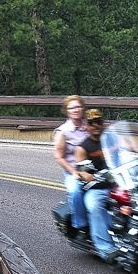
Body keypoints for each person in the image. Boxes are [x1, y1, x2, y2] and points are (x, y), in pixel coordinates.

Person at [73, 110, 120, 261]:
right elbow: (80, 169)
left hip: (118, 183)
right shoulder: (83, 147)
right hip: (97, 187)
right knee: (94, 206)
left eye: (99, 121)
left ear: (103, 122)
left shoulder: (112, 139)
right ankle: (106, 249)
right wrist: (85, 174)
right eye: (91, 123)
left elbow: (133, 148)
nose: (96, 126)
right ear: (86, 126)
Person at [53, 95, 89, 236]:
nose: (76, 110)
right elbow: (59, 157)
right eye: (72, 107)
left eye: (78, 106)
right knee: (75, 191)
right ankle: (81, 225)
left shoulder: (90, 125)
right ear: (67, 111)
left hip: (94, 169)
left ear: (83, 108)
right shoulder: (63, 131)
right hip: (75, 170)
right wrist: (73, 172)